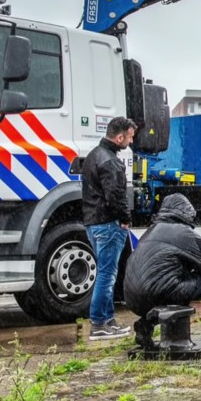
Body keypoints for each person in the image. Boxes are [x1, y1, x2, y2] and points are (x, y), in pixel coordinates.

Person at [123, 194, 201, 348]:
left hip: (132, 299)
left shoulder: (150, 231)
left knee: (169, 281)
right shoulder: (183, 231)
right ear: (186, 213)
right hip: (161, 292)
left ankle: (145, 326)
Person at [82, 116, 136, 340]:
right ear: (120, 136)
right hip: (108, 225)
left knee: (106, 272)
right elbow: (115, 196)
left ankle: (108, 321)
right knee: (106, 275)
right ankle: (98, 324)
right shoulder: (111, 162)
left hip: (93, 223)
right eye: (130, 138)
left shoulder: (94, 156)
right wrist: (125, 218)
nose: (130, 143)